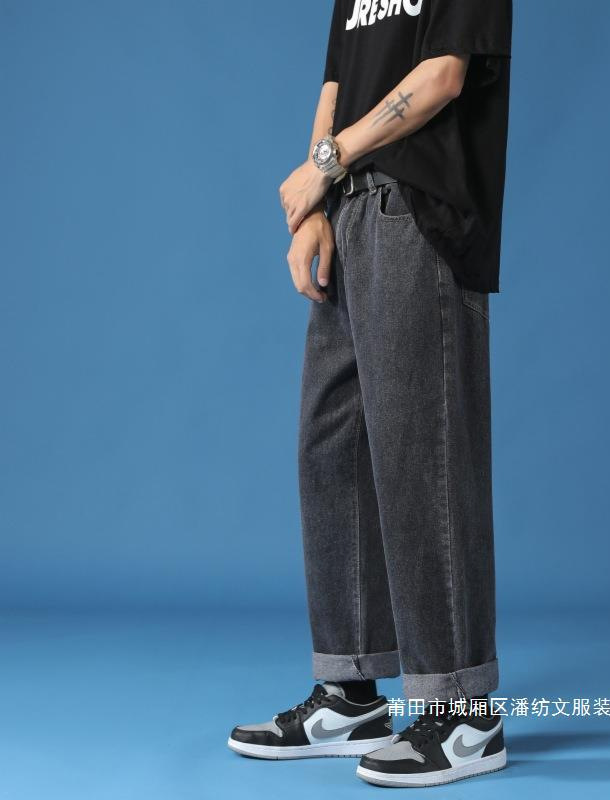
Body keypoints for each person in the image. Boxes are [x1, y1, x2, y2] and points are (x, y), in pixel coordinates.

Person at [228, 0, 513, 787]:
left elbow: (443, 76)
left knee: (422, 456)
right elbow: (337, 81)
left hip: (418, 212)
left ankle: (463, 712)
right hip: (350, 206)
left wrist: (326, 162)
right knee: (332, 449)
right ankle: (351, 691)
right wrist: (316, 206)